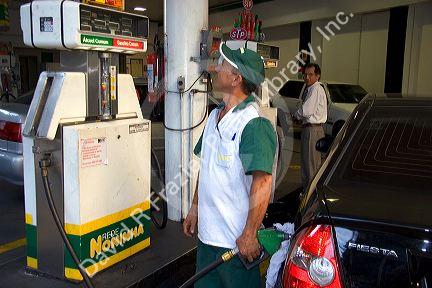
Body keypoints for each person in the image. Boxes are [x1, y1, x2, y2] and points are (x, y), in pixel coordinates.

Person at [183, 43, 276, 288]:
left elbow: (263, 181)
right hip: (207, 239)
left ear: (236, 78)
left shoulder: (253, 124)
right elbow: (207, 167)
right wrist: (194, 209)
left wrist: (249, 234)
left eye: (222, 64)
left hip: (235, 245)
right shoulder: (214, 117)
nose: (215, 68)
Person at [294, 63, 327, 189]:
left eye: (311, 75)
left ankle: (308, 197)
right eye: (305, 75)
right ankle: (308, 192)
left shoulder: (315, 89)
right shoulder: (313, 88)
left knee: (310, 166)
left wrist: (295, 116)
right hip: (312, 129)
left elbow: (306, 110)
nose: (307, 78)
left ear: (317, 76)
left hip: (312, 131)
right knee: (310, 164)